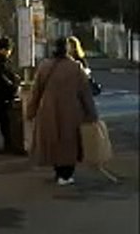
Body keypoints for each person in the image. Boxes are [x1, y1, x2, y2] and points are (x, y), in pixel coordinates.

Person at [26, 37, 99, 185]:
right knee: (69, 142)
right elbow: (85, 93)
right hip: (71, 111)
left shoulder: (44, 66)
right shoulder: (76, 67)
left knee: (54, 141)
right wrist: (92, 114)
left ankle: (59, 171)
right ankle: (66, 174)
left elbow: (36, 92)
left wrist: (31, 111)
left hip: (48, 110)